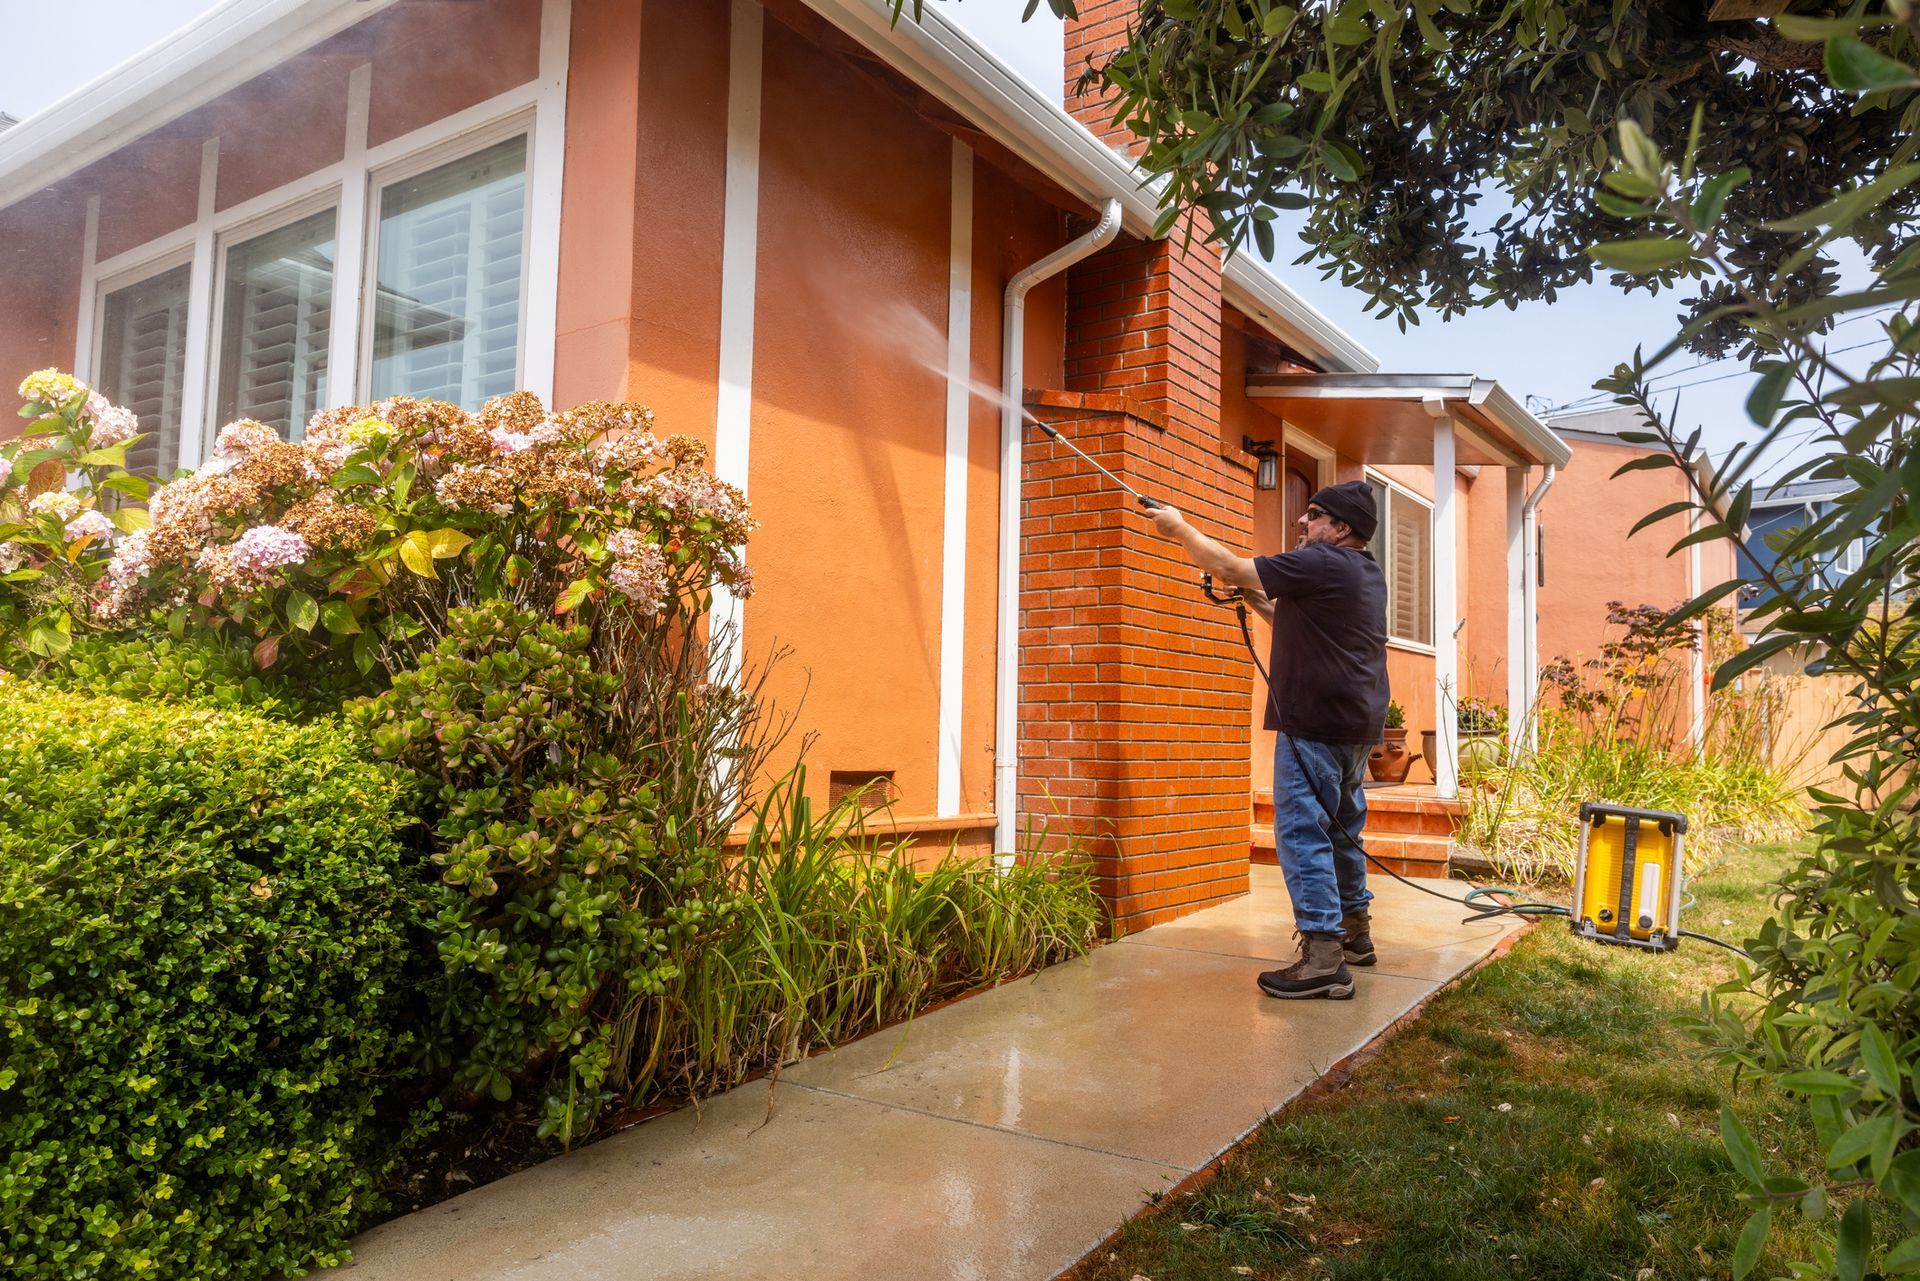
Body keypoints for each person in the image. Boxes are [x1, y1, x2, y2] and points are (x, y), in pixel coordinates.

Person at [1148, 480, 1389, 1001]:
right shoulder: (1362, 572)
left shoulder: (1322, 562)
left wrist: (1178, 527)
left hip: (1314, 724)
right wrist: (1257, 600)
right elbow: (1302, 627)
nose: (1302, 523)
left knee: (1303, 835)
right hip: (1353, 725)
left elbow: (1231, 566)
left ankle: (1323, 958)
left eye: (1313, 515)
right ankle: (1354, 935)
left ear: (1341, 528)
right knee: (1344, 831)